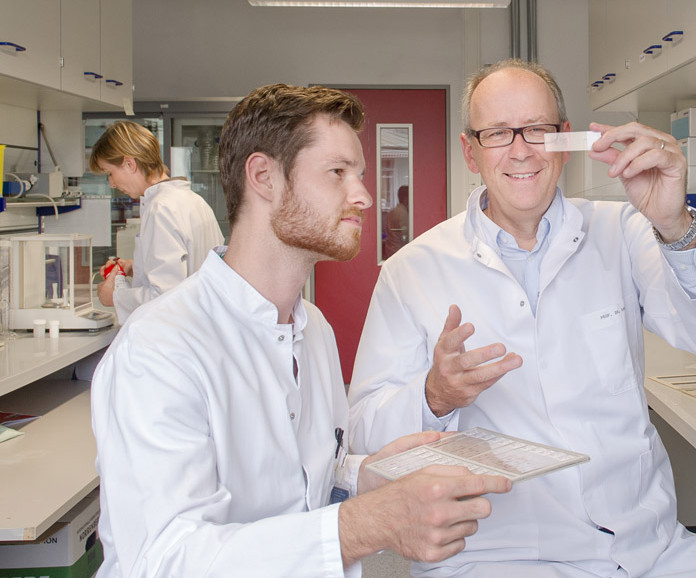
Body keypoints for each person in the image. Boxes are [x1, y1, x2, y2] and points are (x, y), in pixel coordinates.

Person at [348, 59, 696, 577]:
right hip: (495, 555)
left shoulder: (625, 229)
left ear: (565, 139)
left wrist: (674, 222)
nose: (520, 150)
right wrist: (434, 396)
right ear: (469, 152)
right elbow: (364, 432)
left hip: (646, 546)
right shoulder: (414, 269)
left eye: (537, 130)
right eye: (497, 133)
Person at [90, 84, 511, 578]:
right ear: (264, 176)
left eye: (359, 173)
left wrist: (366, 474)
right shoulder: (160, 349)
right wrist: (364, 524)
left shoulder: (313, 332)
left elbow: (304, 481)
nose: (363, 195)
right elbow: (160, 561)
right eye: (337, 173)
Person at [90, 120, 223, 322]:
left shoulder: (161, 208)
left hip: (179, 337)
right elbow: (188, 268)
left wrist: (114, 297)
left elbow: (164, 297)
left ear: (129, 163)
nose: (112, 183)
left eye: (110, 173)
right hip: (203, 329)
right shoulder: (194, 201)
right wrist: (136, 266)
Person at [384, 184, 410, 258]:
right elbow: (404, 236)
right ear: (406, 198)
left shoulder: (392, 211)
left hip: (390, 249)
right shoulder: (403, 213)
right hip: (399, 250)